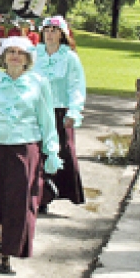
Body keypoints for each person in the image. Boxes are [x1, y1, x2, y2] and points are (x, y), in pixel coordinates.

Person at [0, 36, 61, 276]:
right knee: (0, 198)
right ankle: (5, 232)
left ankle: (8, 250)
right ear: (3, 57)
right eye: (11, 51)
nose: (15, 56)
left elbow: (46, 118)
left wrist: (52, 149)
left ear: (27, 58)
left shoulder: (39, 83)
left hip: (25, 147)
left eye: (20, 52)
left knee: (20, 199)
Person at [35, 16, 87, 213]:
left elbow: (76, 86)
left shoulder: (70, 58)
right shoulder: (34, 54)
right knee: (37, 152)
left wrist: (74, 111)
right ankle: (41, 195)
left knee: (62, 151)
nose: (49, 34)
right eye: (46, 30)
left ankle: (60, 190)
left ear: (62, 35)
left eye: (54, 31)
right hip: (37, 110)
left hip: (59, 111)